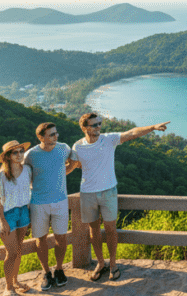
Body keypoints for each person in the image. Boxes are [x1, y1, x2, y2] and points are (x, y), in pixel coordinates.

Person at [72, 112, 170, 281]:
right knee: (93, 231)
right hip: (87, 193)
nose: (98, 127)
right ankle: (100, 263)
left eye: (99, 123)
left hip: (109, 191)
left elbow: (132, 133)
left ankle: (113, 264)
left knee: (111, 229)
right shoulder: (77, 147)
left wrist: (152, 127)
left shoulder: (108, 139)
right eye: (94, 125)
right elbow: (72, 166)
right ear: (84, 128)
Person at [25, 122, 80, 291]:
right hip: (38, 202)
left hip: (60, 201)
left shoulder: (64, 148)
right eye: (51, 134)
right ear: (41, 137)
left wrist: (65, 172)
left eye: (56, 133)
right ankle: (46, 272)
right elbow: (24, 175)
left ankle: (59, 268)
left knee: (61, 238)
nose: (56, 137)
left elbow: (74, 161)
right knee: (40, 239)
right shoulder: (31, 155)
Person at [0, 139, 33, 296]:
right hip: (8, 214)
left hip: (23, 210)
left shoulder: (27, 170)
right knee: (11, 252)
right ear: (7, 156)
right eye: (14, 152)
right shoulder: (1, 175)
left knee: (19, 249)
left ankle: (15, 281)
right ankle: (8, 287)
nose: (19, 155)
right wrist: (2, 221)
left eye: (21, 151)